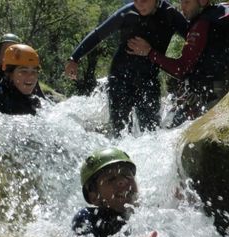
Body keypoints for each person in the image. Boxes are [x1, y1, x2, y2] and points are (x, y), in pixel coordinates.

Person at [64, 0, 189, 136]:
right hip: (119, 78)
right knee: (121, 132)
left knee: (151, 133)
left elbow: (195, 37)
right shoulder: (127, 12)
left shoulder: (170, 15)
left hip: (149, 80)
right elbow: (98, 34)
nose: (139, 3)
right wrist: (74, 58)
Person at [127, 0, 229, 127]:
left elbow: (181, 69)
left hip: (205, 100)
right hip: (214, 92)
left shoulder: (201, 25)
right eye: (181, 2)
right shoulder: (219, 13)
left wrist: (149, 52)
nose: (182, 7)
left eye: (186, 2)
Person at [72, 148, 167, 237]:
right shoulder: (88, 218)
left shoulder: (145, 212)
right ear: (93, 195)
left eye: (127, 175)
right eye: (111, 179)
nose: (122, 181)